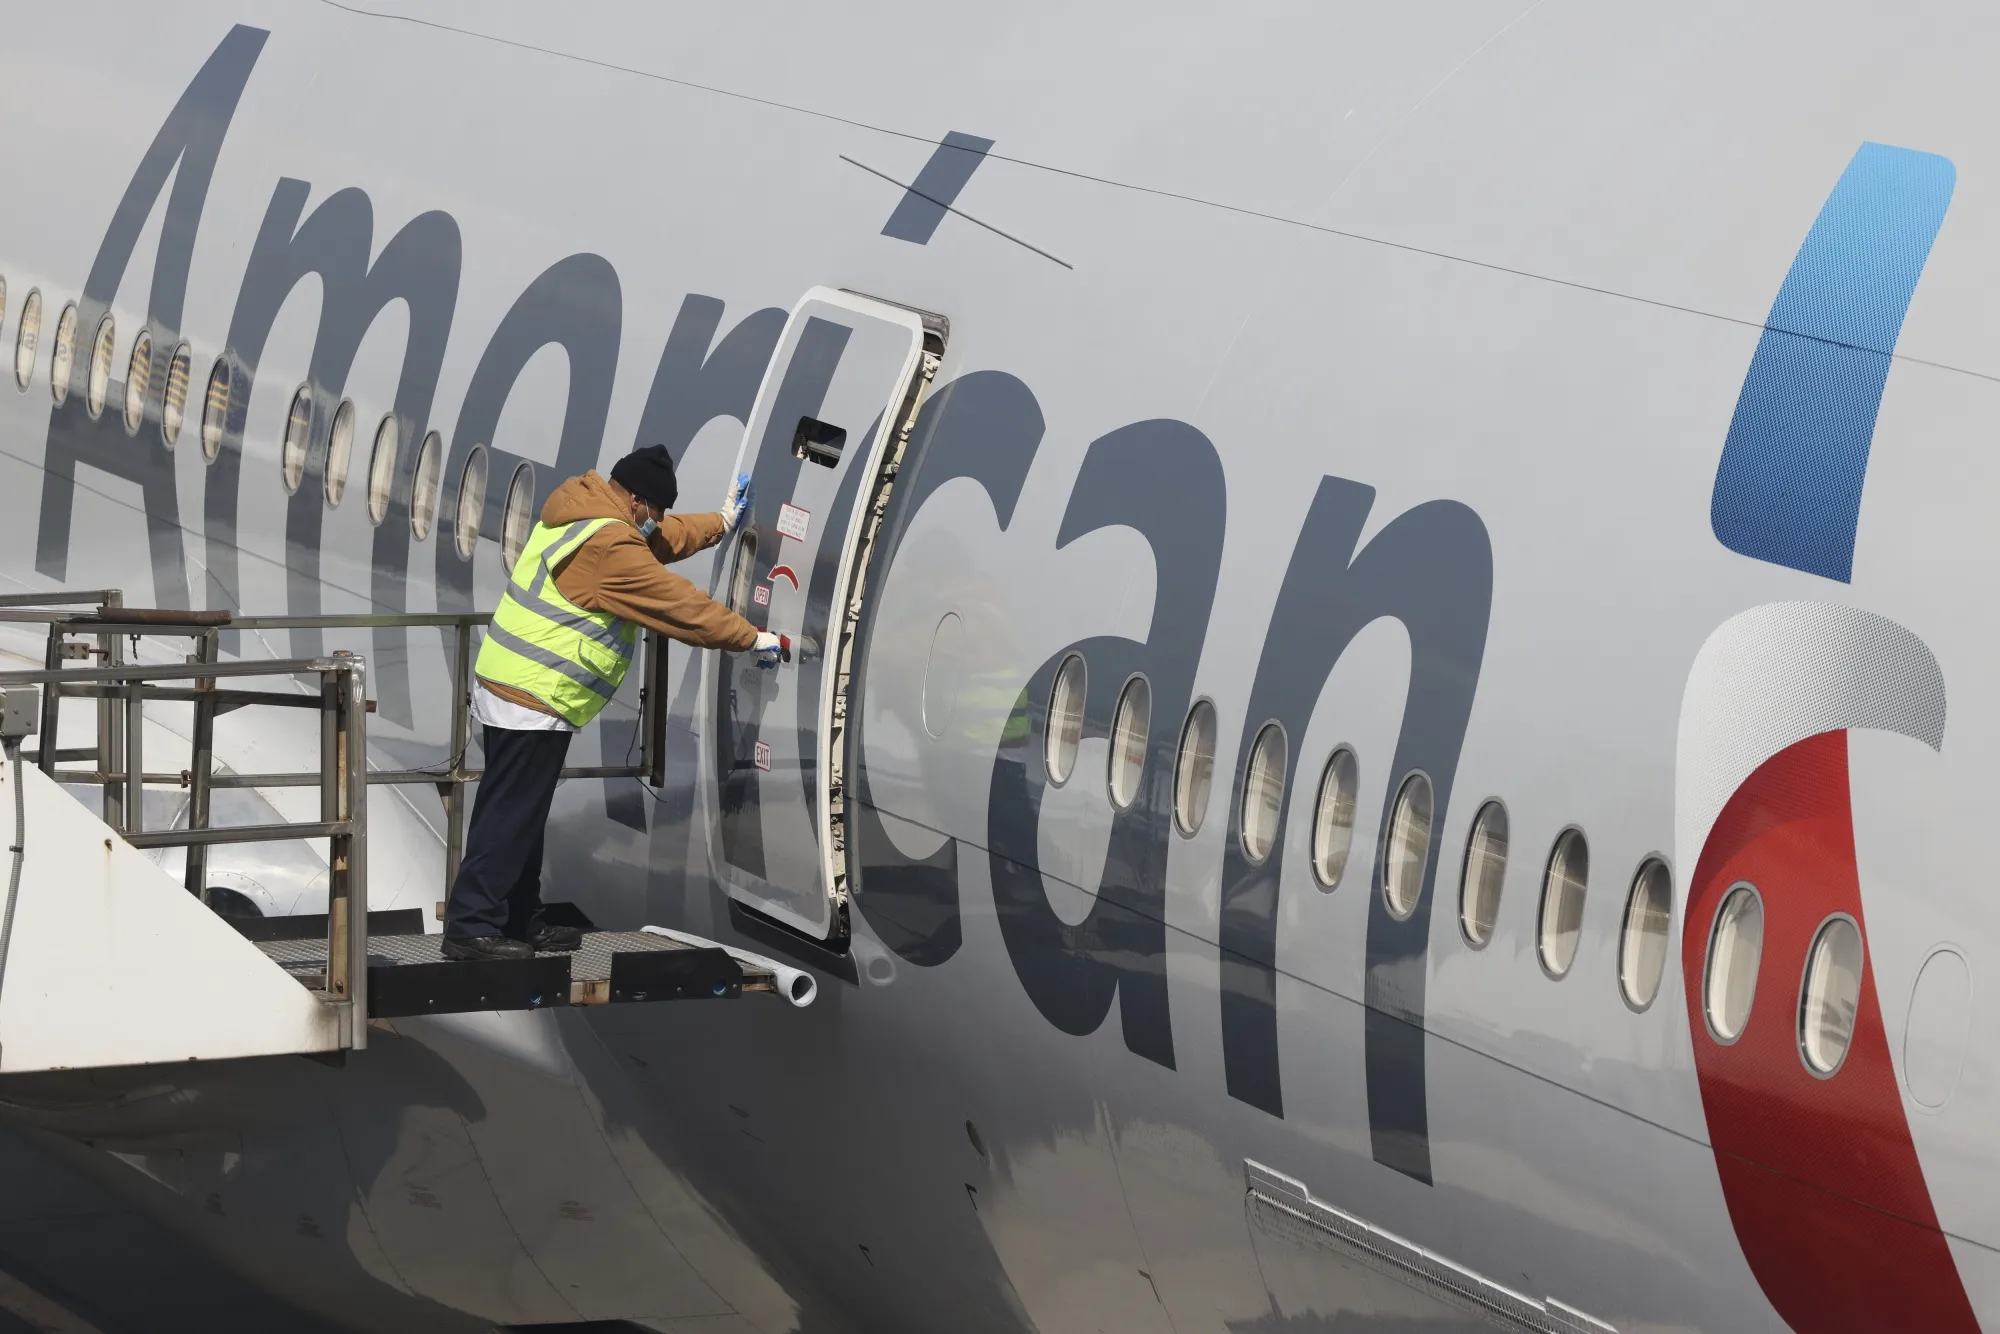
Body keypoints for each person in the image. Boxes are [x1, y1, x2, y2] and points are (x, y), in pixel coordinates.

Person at [441, 444, 780, 961]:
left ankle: (518, 917)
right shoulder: (609, 549)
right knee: (509, 815)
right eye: (655, 511)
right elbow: (680, 607)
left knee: (522, 813)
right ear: (638, 501)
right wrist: (752, 638)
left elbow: (662, 540)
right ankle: (470, 926)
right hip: (532, 695)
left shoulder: (584, 511)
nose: (656, 523)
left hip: (517, 687)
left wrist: (721, 522)